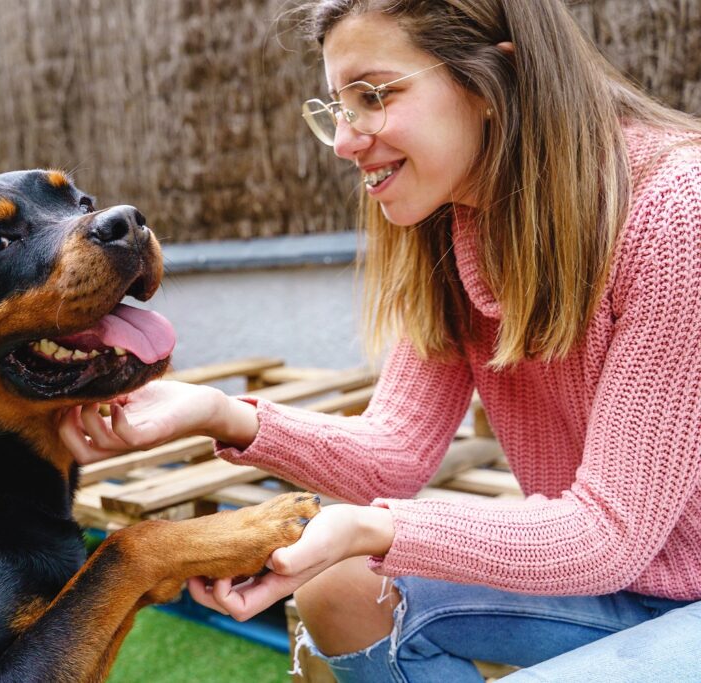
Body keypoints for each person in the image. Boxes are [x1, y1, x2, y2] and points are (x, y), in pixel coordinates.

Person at [60, 0, 701, 679]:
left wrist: (373, 527)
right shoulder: (457, 225)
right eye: (337, 105)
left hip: (658, 574)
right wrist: (219, 413)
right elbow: (393, 455)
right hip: (622, 586)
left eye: (373, 96)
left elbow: (610, 533)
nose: (343, 139)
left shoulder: (674, 214)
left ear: (491, 83)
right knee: (337, 589)